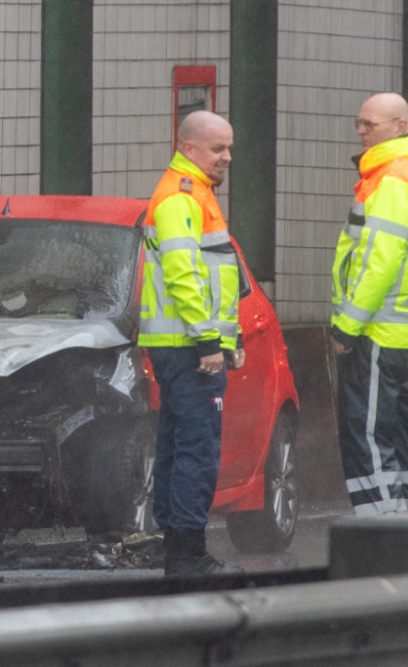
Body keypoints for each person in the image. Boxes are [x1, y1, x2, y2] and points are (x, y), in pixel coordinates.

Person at [139, 110, 245, 575]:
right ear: (187, 147)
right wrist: (207, 341)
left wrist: (230, 336)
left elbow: (215, 276)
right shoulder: (182, 198)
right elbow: (185, 275)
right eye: (217, 148)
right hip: (186, 345)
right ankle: (187, 552)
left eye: (229, 149)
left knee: (180, 443)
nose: (226, 157)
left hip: (181, 343)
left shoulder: (193, 194)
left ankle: (178, 547)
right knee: (196, 448)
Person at [330, 92, 408, 516]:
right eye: (360, 123)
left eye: (370, 124)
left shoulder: (390, 178)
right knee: (399, 433)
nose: (361, 130)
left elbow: (379, 260)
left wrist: (347, 326)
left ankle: (381, 536)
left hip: (377, 329)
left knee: (366, 434)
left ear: (401, 126)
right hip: (404, 329)